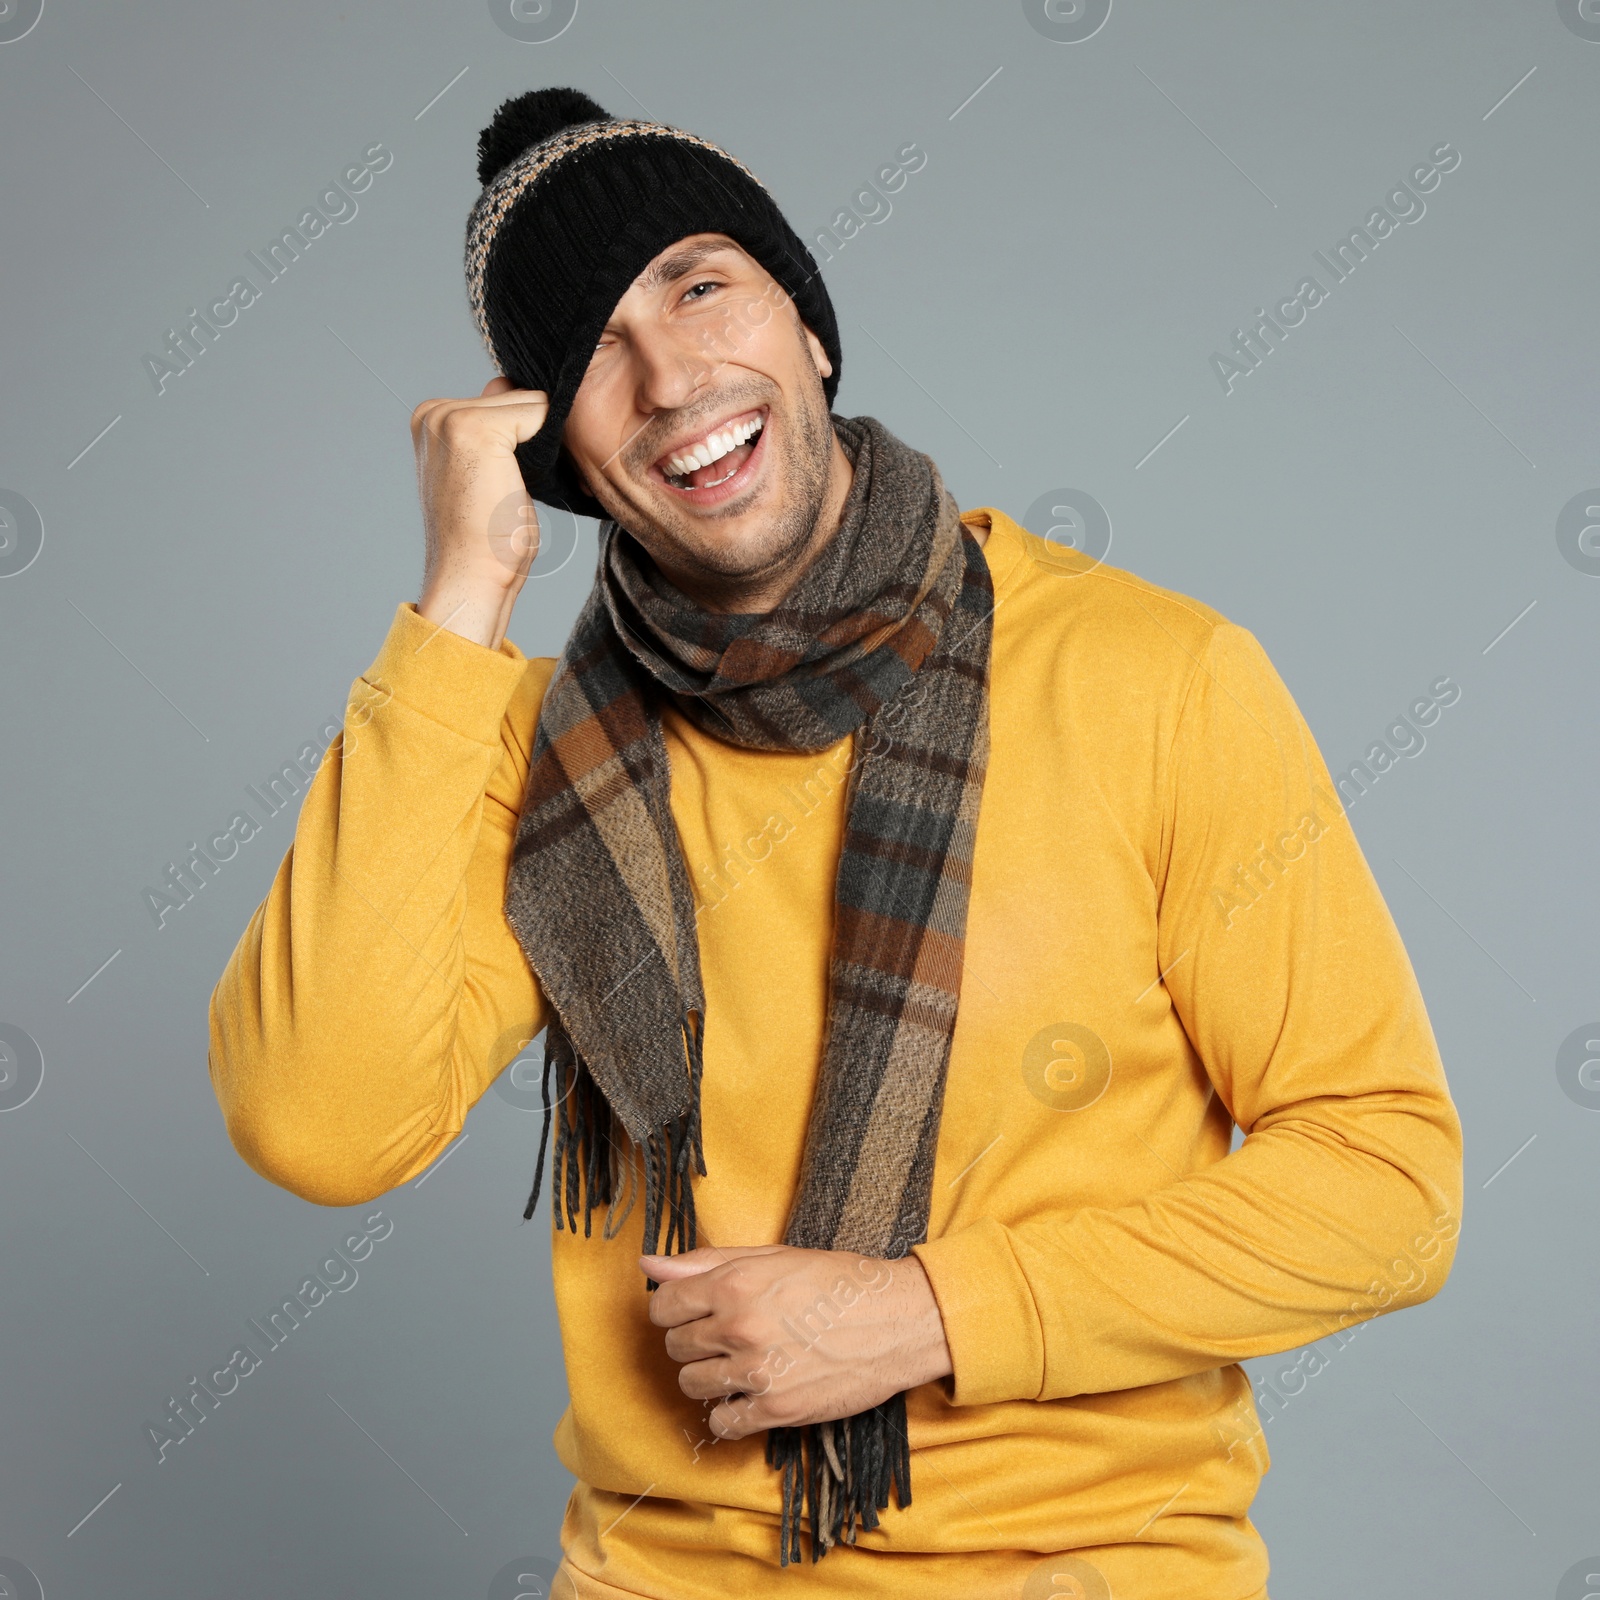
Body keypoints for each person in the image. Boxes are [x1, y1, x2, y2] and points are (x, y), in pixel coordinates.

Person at [208, 87, 1464, 1600]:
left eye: (697, 286)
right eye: (594, 351)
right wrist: (460, 594)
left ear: (805, 325)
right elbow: (317, 1124)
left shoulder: (1156, 679)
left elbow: (1389, 1184)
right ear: (552, 450)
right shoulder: (544, 753)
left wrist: (927, 1313)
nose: (670, 377)